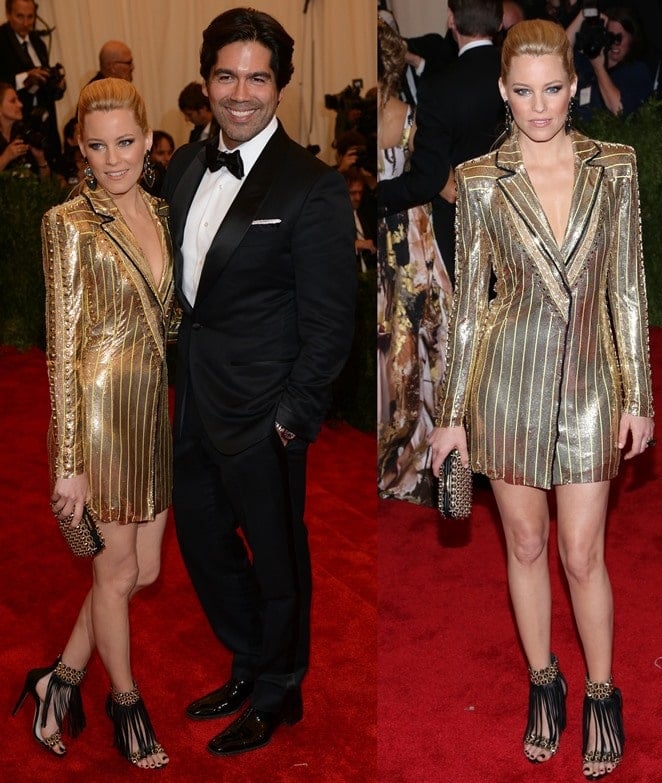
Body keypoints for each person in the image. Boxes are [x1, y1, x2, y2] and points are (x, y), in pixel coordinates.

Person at [429, 19, 653, 780]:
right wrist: (452, 414)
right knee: (524, 545)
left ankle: (601, 690)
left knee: (582, 552)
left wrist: (639, 395)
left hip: (591, 382)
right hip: (507, 384)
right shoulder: (481, 179)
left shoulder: (613, 167)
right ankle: (543, 680)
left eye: (552, 89)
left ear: (573, 84)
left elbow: (626, 288)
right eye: (522, 92)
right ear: (502, 90)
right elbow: (467, 309)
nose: (538, 106)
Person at [161, 7, 356, 756]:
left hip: (266, 411)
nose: (241, 93)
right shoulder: (184, 165)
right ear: (207, 79)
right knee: (204, 545)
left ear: (281, 86)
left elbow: (331, 319)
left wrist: (294, 414)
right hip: (195, 404)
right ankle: (248, 660)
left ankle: (281, 690)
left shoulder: (311, 187)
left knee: (280, 561)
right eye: (227, 75)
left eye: (258, 77)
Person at [13, 77, 174, 770]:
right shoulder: (67, 223)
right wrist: (69, 459)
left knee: (143, 570)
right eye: (98, 145)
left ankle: (58, 679)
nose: (114, 159)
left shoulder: (164, 212)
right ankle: (127, 703)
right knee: (115, 576)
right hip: (100, 420)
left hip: (154, 416)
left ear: (147, 138)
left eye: (127, 142)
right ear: (79, 146)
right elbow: (62, 348)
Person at [377, 16, 452, 507]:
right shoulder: (406, 115)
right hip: (387, 254)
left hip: (411, 253)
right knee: (396, 362)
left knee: (411, 359)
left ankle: (423, 459)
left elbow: (444, 186)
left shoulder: (412, 118)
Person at [377, 0, 505, 281]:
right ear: (499, 23)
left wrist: (378, 195)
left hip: (460, 226)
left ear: (451, 20)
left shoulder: (438, 88)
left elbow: (428, 178)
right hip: (517, 217)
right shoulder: (517, 74)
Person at [0, 0, 65, 163]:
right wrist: (24, 79)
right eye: (20, 16)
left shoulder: (38, 42)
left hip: (45, 120)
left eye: (30, 17)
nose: (26, 23)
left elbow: (43, 83)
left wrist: (56, 84)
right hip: (16, 124)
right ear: (8, 14)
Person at [567, 5, 653, 121]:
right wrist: (583, 15)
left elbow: (619, 110)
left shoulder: (636, 71)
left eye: (619, 38)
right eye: (610, 37)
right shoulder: (588, 62)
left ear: (632, 39)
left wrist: (599, 68)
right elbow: (557, 54)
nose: (614, 43)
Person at [0, 81, 50, 176]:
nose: (20, 105)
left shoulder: (24, 133)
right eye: (13, 101)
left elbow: (46, 183)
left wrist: (41, 160)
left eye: (18, 99)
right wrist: (6, 157)